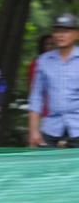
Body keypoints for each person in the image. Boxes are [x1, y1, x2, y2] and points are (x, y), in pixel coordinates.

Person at [28, 13, 79, 148]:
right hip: (51, 126)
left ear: (76, 35)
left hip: (77, 126)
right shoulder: (43, 60)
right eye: (57, 31)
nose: (60, 35)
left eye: (66, 31)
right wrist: (33, 131)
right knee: (43, 160)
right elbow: (36, 96)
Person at [27, 34, 55, 118]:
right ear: (42, 46)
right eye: (46, 44)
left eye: (52, 43)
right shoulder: (36, 63)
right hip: (42, 109)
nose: (49, 46)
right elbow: (33, 88)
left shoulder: (62, 64)